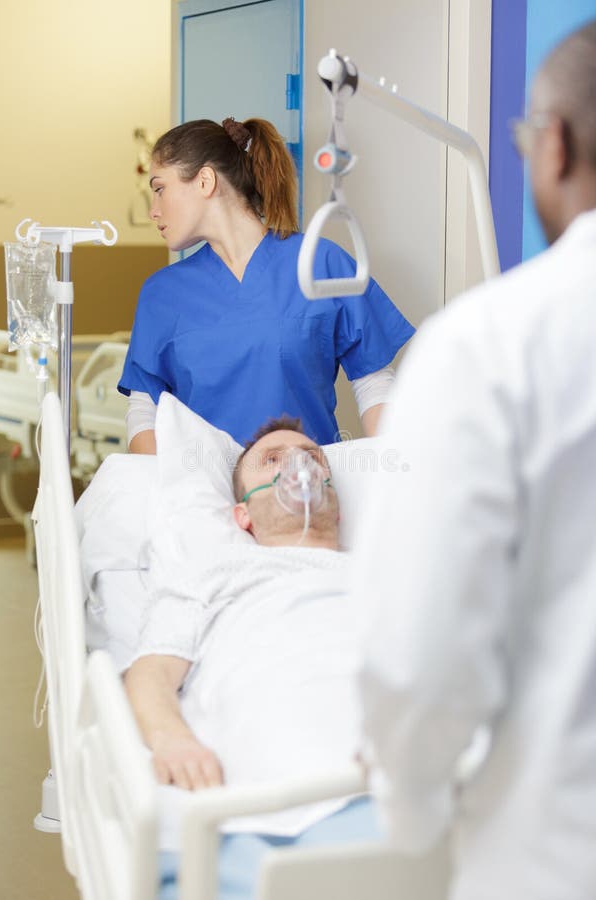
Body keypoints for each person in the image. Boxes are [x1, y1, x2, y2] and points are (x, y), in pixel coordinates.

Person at [353, 19, 596, 900]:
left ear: (556, 146)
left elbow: (419, 655)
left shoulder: (491, 348)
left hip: (556, 852)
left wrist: (410, 809)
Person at [123, 417, 380, 899]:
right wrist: (172, 739)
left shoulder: (384, 575)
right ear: (242, 516)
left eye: (312, 456)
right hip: (281, 782)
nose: (298, 466)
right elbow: (151, 673)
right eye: (273, 460)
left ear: (339, 507)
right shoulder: (212, 574)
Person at [117, 116, 415, 453]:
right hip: (207, 494)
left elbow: (375, 385)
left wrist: (388, 477)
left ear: (204, 181)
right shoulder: (163, 294)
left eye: (159, 189)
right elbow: (143, 412)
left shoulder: (319, 263)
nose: (153, 211)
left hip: (306, 491)